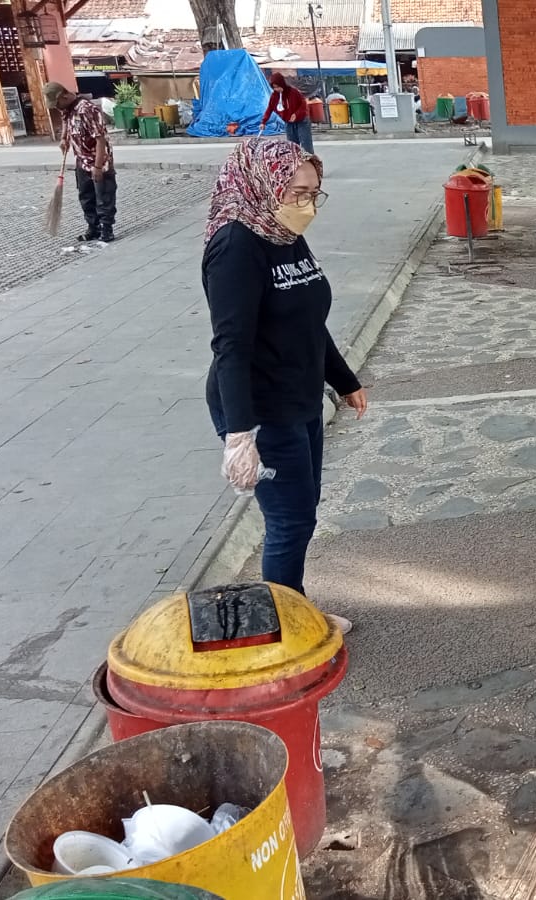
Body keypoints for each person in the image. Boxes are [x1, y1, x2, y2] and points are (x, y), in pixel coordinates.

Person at [203, 140, 365, 633]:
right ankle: (285, 626)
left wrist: (342, 380)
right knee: (290, 522)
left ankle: (291, 611)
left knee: (303, 513)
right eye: (298, 193)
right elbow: (231, 346)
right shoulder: (235, 246)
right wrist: (239, 434)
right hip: (261, 408)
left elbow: (308, 318)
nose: (307, 206)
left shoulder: (282, 233)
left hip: (299, 398)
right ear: (263, 183)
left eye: (315, 194)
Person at [43, 82, 116, 243]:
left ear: (65, 95)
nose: (57, 108)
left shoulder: (87, 109)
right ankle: (93, 228)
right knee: (86, 197)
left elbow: (100, 139)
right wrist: (64, 138)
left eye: (57, 104)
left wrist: (97, 167)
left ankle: (106, 229)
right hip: (81, 161)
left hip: (99, 161)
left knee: (103, 197)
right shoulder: (67, 110)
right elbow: (65, 122)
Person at [262, 73, 313, 152]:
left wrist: (296, 114)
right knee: (292, 147)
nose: (277, 89)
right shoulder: (274, 96)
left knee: (306, 145)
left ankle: (310, 162)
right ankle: (296, 163)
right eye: (274, 87)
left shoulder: (293, 92)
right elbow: (269, 109)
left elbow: (303, 105)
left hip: (301, 121)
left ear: (282, 84)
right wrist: (263, 122)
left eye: (278, 86)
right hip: (289, 123)